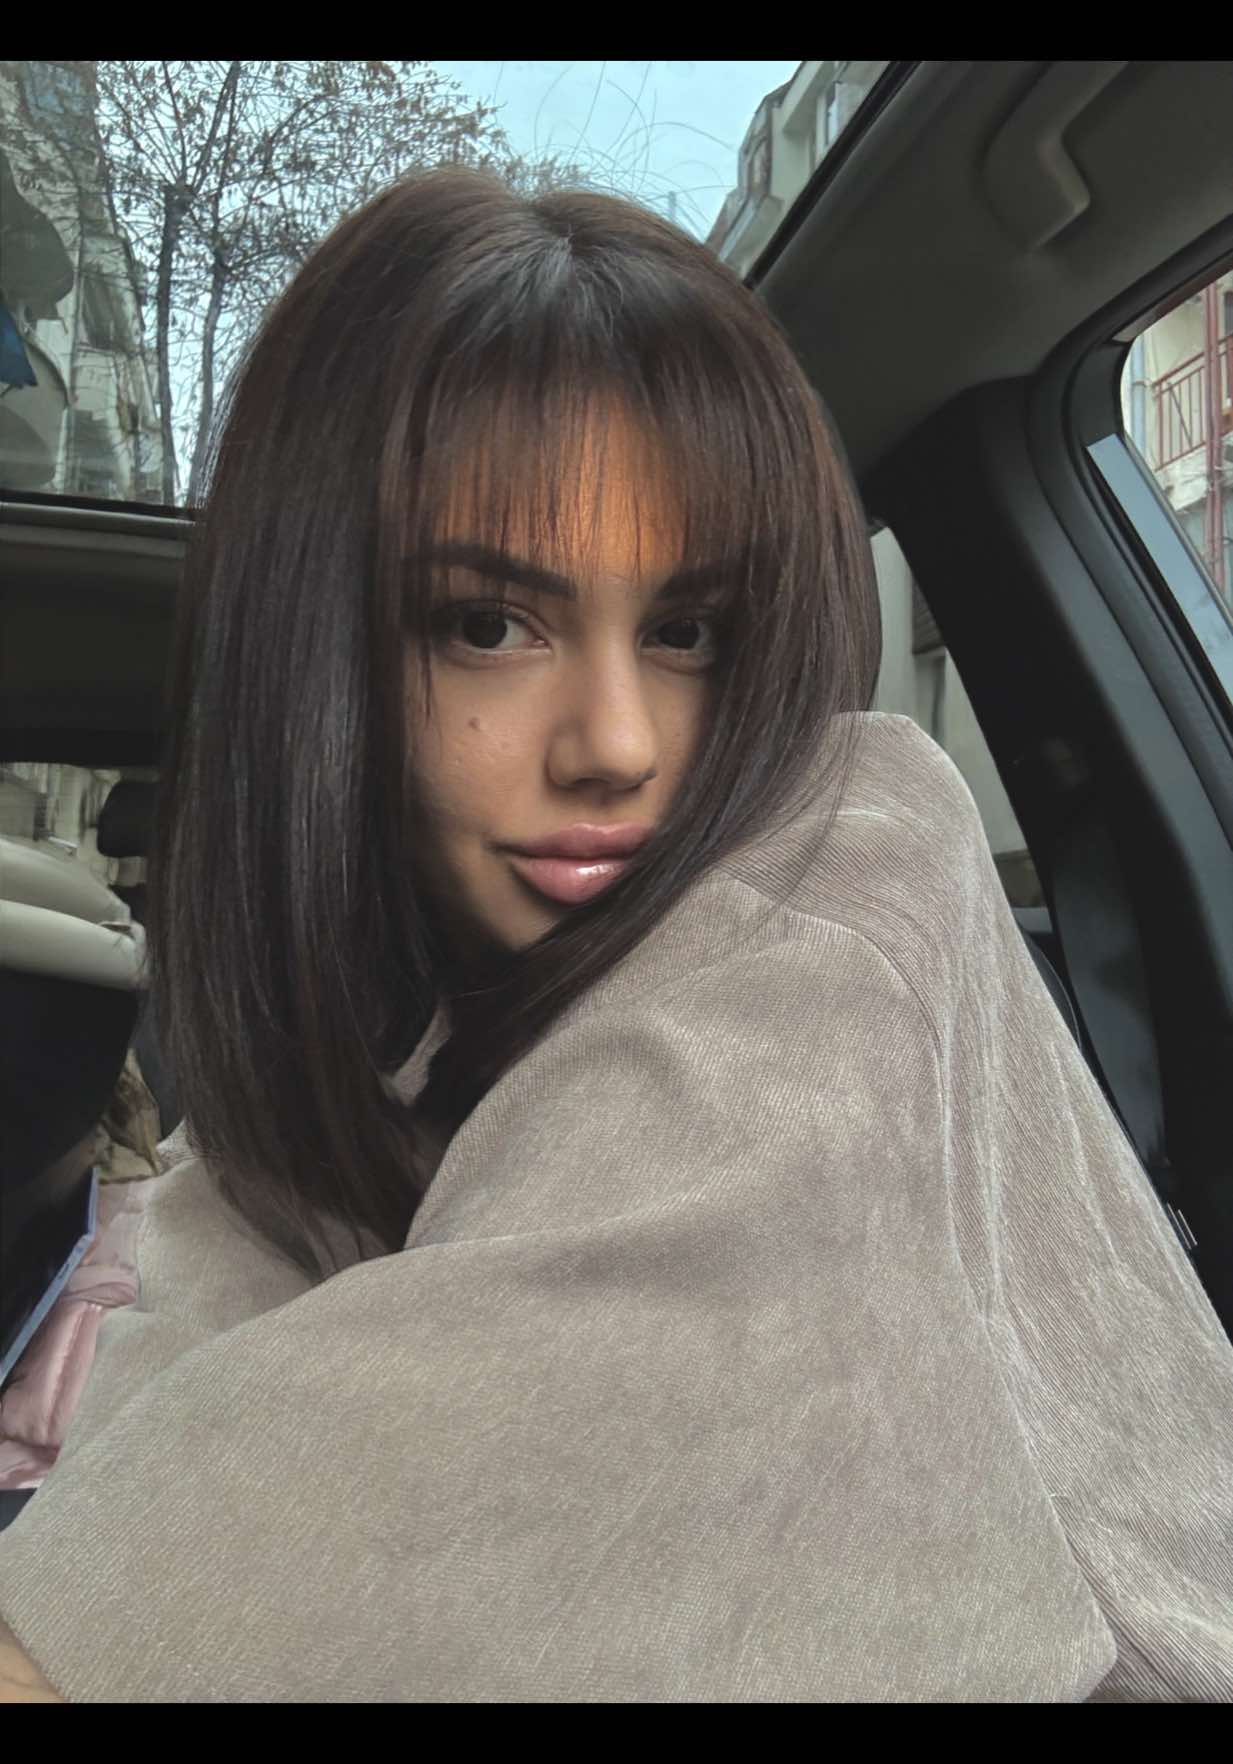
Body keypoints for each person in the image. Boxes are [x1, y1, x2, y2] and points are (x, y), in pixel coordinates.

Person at [2, 166, 1232, 1704]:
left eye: (686, 633)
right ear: (321, 661)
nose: (619, 744)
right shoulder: (332, 1092)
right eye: (486, 625)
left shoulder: (852, 844)